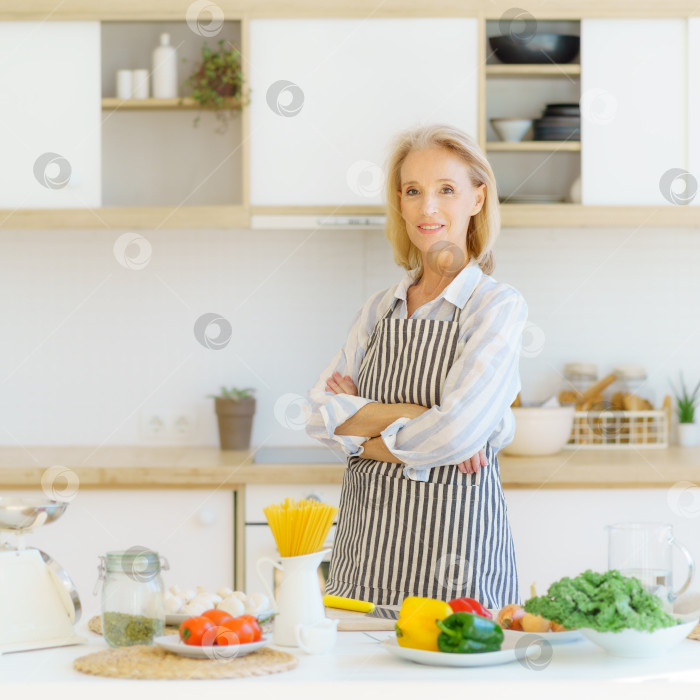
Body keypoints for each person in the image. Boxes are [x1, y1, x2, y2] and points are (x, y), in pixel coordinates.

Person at [305, 123, 527, 607]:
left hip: (457, 572)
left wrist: (362, 432)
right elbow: (315, 415)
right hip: (362, 565)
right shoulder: (378, 308)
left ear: (477, 198)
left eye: (446, 190)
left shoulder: (495, 307)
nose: (428, 208)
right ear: (400, 204)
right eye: (413, 191)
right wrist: (423, 416)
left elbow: (458, 435)